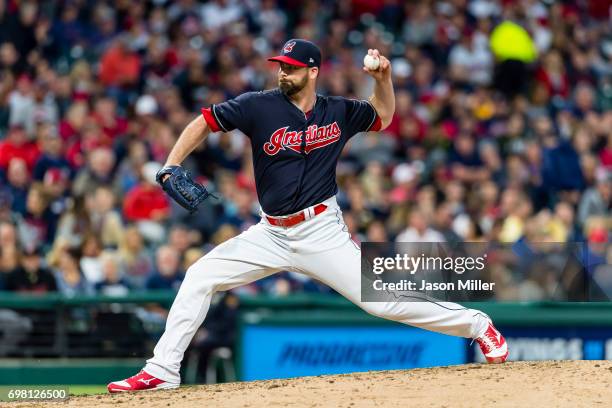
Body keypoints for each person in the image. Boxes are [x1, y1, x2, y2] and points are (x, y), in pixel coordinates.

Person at [108, 39, 508, 393]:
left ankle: (478, 325)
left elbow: (383, 117)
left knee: (382, 302)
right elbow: (204, 122)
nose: (284, 72)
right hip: (271, 233)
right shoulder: (257, 105)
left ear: (312, 72)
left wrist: (383, 78)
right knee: (200, 276)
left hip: (321, 232)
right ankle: (162, 369)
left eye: (292, 68)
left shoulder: (338, 111)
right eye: (281, 66)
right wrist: (171, 163)